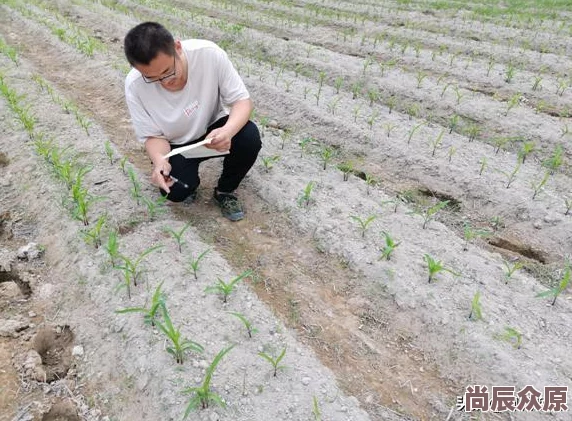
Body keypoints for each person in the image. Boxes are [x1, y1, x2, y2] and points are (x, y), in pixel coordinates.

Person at [123, 22, 261, 221]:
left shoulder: (208, 54)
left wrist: (228, 131)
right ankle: (189, 185)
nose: (164, 81)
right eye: (152, 78)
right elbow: (153, 136)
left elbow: (242, 101)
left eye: (168, 71)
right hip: (176, 145)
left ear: (177, 47)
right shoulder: (135, 86)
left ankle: (225, 191)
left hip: (212, 130)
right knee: (175, 190)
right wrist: (159, 160)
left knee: (249, 138)